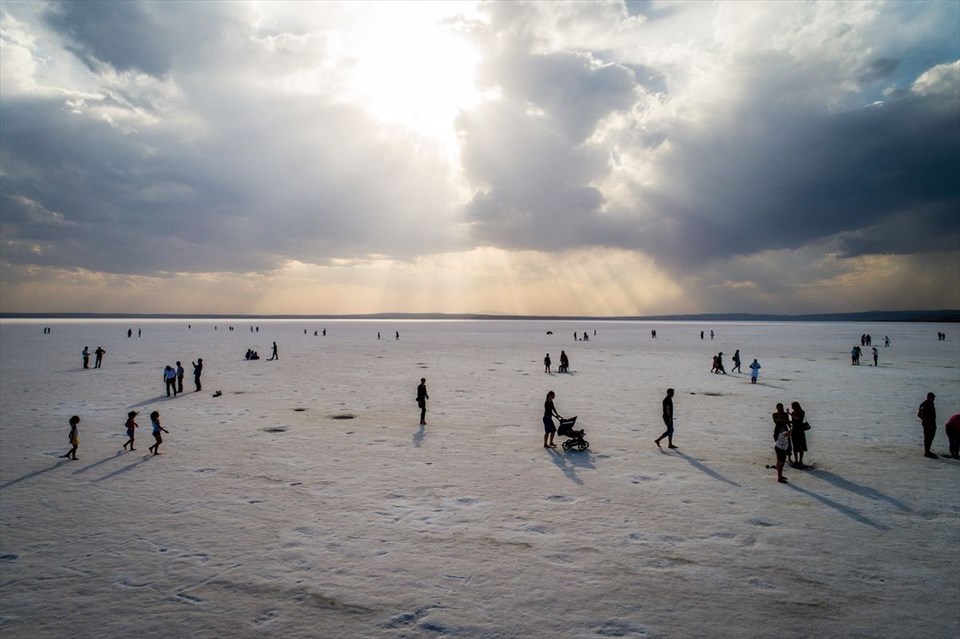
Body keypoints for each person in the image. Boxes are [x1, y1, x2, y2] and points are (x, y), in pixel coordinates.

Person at [772, 404, 792, 483]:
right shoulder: (775, 415)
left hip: (781, 434)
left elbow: (787, 423)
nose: (781, 409)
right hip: (780, 432)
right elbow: (776, 421)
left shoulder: (784, 415)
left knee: (781, 458)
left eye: (781, 407)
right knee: (781, 461)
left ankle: (780, 474)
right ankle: (779, 476)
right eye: (779, 408)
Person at [918, 392, 938, 459]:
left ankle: (928, 451)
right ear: (928, 397)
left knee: (930, 438)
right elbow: (919, 414)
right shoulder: (924, 404)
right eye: (932, 398)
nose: (933, 399)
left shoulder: (931, 404)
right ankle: (927, 452)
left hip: (932, 424)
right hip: (928, 425)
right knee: (927, 438)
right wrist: (927, 423)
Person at [789, 401, 808, 467]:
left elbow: (798, 418)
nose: (792, 408)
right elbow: (794, 421)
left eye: (793, 406)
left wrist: (789, 414)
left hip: (799, 430)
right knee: (795, 446)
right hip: (795, 430)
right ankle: (796, 460)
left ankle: (800, 460)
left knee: (801, 446)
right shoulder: (794, 412)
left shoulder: (801, 412)